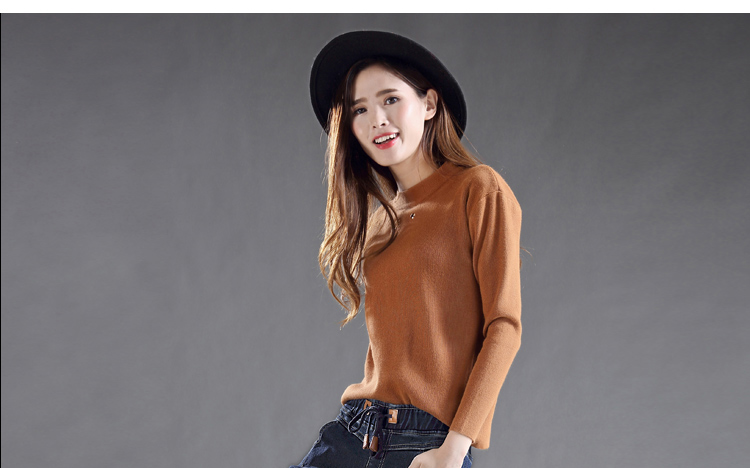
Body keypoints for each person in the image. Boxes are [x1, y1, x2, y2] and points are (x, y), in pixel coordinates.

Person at [292, 30, 523, 468]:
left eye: (390, 99)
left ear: (429, 104)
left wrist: (454, 448)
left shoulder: (478, 189)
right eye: (360, 109)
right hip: (354, 432)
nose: (376, 119)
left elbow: (504, 327)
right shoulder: (380, 222)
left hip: (426, 441)